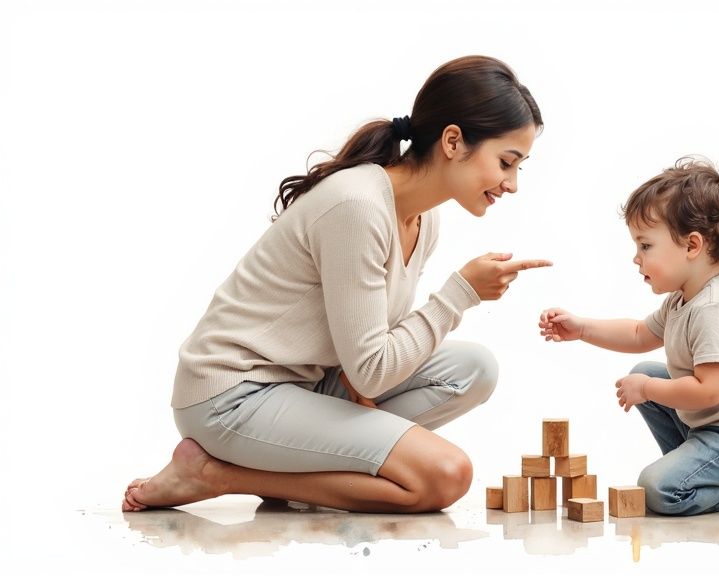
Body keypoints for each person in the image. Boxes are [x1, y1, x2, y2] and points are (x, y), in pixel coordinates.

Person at [122, 55, 551, 514]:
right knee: (444, 476)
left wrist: (368, 434)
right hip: (232, 396)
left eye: (519, 167)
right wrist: (459, 295)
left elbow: (371, 348)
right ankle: (215, 473)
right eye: (507, 162)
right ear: (452, 140)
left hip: (305, 385)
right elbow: (371, 368)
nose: (512, 184)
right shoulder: (358, 206)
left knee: (474, 368)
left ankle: (299, 467)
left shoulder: (424, 220)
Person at [538, 156, 719, 516]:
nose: (636, 259)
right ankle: (691, 464)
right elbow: (640, 333)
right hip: (718, 425)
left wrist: (645, 390)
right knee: (647, 367)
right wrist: (581, 328)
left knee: (658, 490)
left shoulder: (714, 309)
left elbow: (709, 391)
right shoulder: (683, 297)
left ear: (692, 246)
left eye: (645, 246)